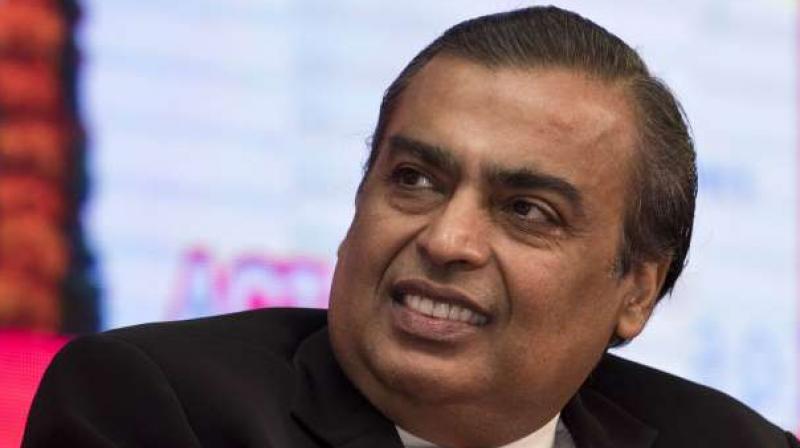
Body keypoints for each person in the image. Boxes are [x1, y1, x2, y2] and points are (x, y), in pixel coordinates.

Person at [23, 6, 799, 448]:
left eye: (527, 211)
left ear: (636, 292)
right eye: (415, 180)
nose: (446, 239)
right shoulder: (158, 411)